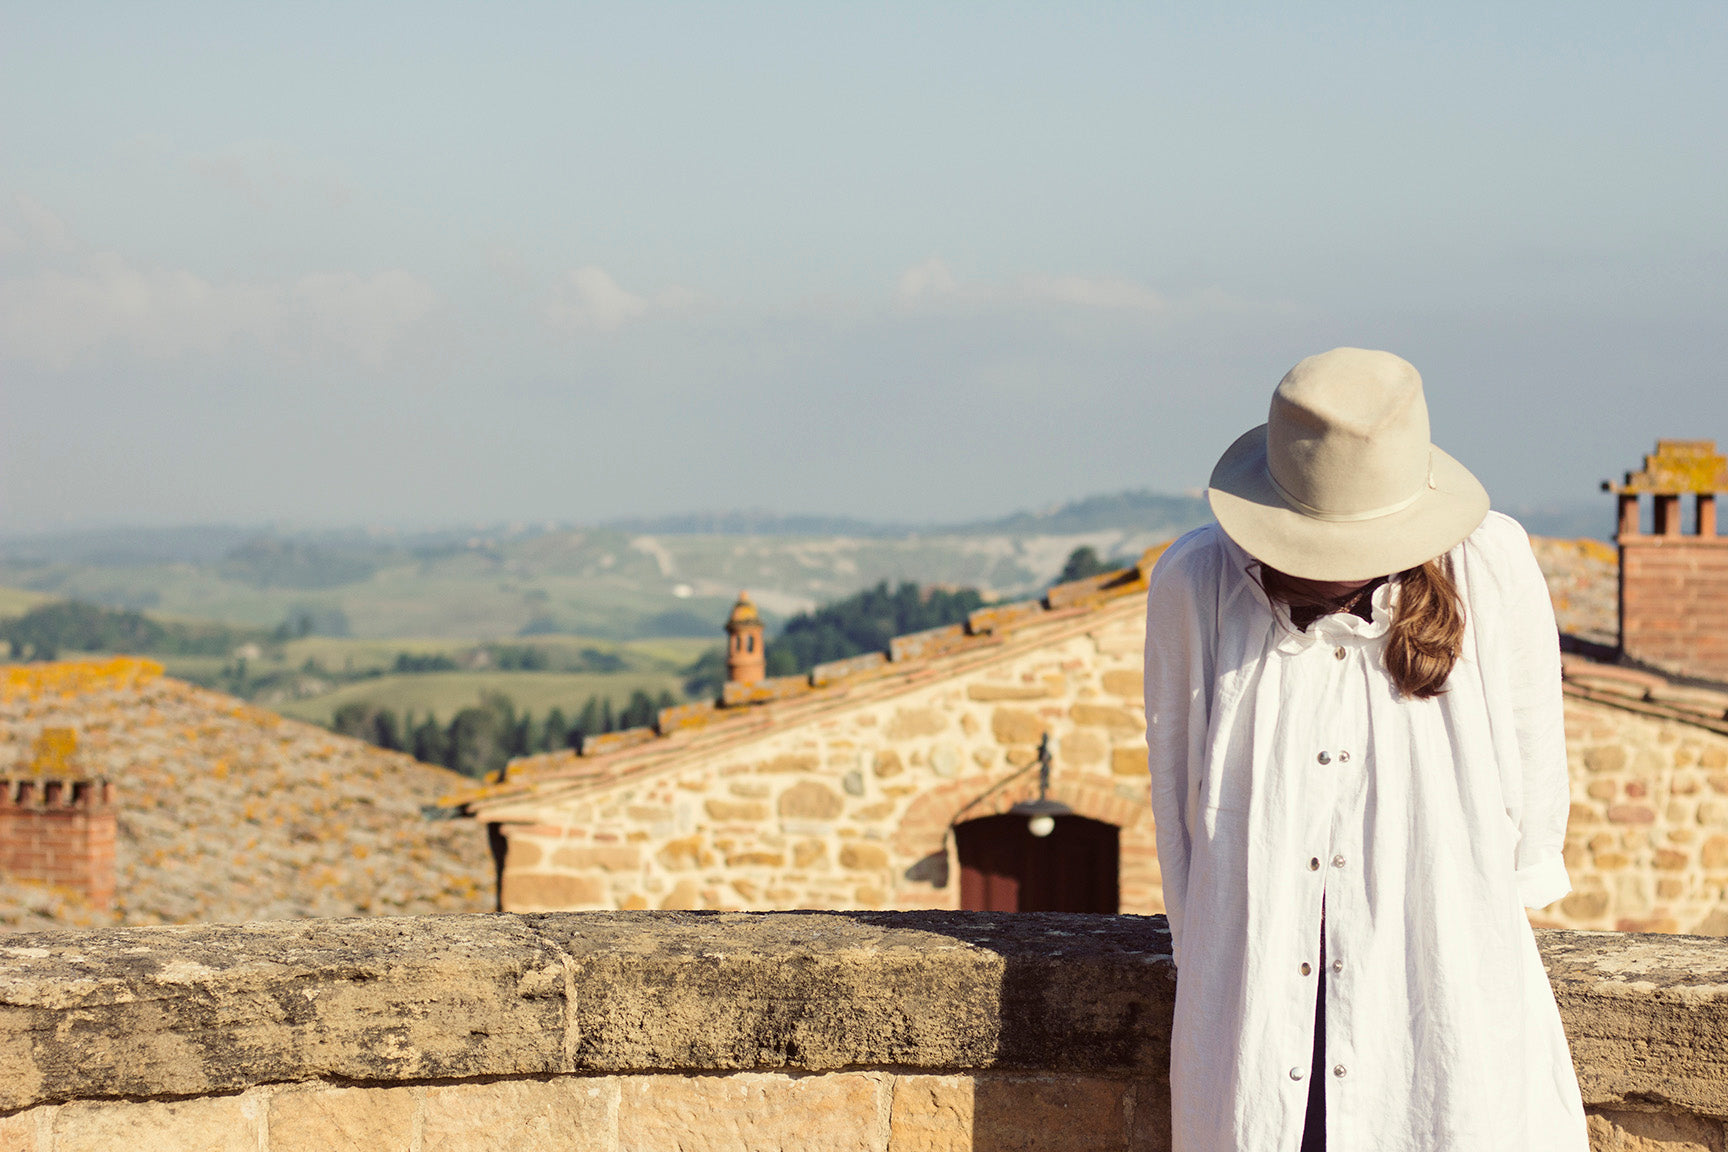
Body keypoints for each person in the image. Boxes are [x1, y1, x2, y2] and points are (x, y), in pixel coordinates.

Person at [1142, 348, 1587, 1151]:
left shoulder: (1491, 568)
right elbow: (1183, 816)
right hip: (1258, 1020)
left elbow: (1531, 814)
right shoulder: (1197, 585)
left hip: (1436, 1032)